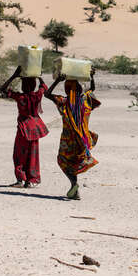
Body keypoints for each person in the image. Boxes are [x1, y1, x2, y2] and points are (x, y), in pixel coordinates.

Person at [45, 67, 100, 200]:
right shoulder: (86, 101)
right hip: (83, 139)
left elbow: (47, 94)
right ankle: (75, 192)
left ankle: (74, 184)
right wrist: (91, 76)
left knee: (63, 161)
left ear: (66, 89)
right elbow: (92, 89)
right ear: (81, 90)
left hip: (68, 140)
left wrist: (58, 80)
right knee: (77, 161)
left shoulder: (64, 102)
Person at [0, 66, 49, 188]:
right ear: (33, 85)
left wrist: (14, 76)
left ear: (23, 86)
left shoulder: (20, 97)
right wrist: (39, 76)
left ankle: (20, 180)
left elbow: (3, 90)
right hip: (35, 129)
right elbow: (44, 87)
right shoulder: (37, 96)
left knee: (19, 154)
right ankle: (30, 180)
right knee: (32, 155)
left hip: (23, 128)